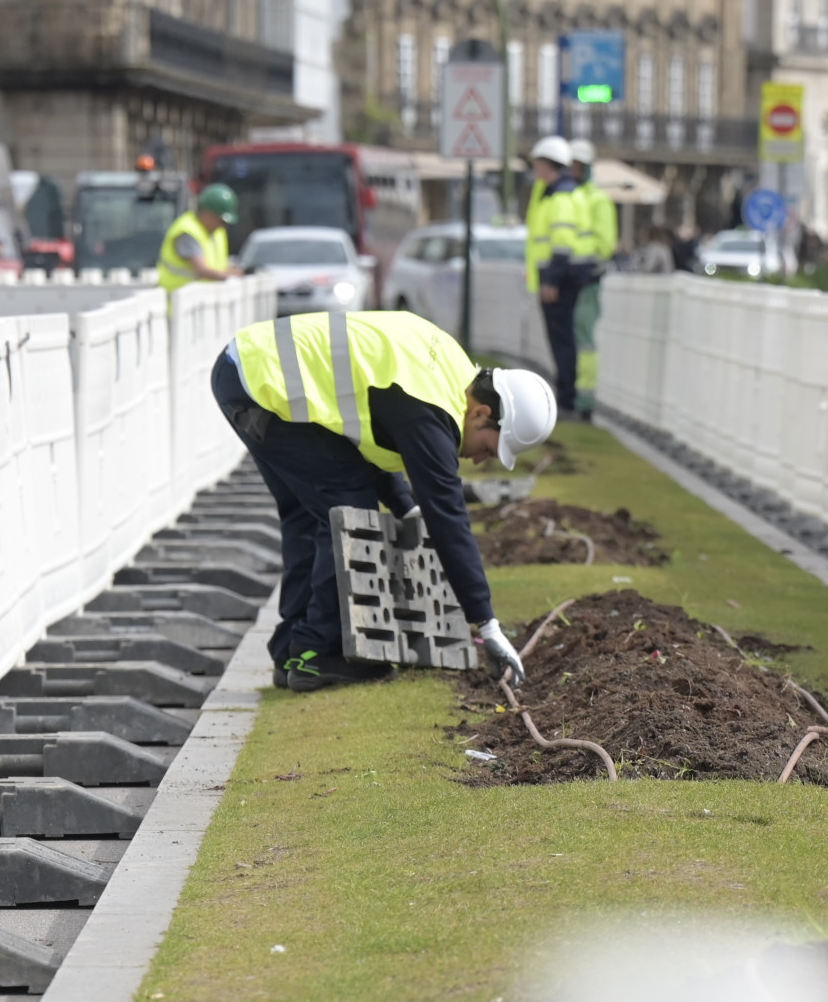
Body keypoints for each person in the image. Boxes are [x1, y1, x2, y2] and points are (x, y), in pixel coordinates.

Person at [211, 309, 558, 692]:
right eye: (489, 449)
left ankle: (293, 653)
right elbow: (449, 518)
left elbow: (368, 438)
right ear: (481, 412)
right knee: (347, 510)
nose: (478, 459)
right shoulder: (431, 412)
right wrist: (487, 624)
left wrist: (406, 506)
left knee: (310, 515)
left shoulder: (448, 371)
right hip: (266, 384)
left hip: (246, 367)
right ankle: (318, 654)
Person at [524, 134, 592, 414]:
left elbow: (562, 245)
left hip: (559, 281)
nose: (535, 170)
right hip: (559, 278)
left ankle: (566, 398)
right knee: (561, 340)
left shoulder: (561, 198)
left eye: (537, 163)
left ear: (547, 164)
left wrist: (551, 281)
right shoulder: (556, 194)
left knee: (562, 340)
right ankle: (566, 394)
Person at [568, 138, 618, 419]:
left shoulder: (596, 199)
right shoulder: (570, 196)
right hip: (572, 279)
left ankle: (585, 401)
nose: (573, 171)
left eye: (577, 166)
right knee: (575, 340)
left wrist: (586, 270)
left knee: (584, 339)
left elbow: (605, 244)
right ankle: (577, 394)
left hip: (587, 281)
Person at [157, 183, 241, 299]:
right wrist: (229, 276)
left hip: (202, 304)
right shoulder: (188, 230)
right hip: (181, 306)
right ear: (207, 213)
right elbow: (201, 270)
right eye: (220, 220)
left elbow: (218, 266)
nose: (223, 226)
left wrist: (233, 271)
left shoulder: (216, 232)